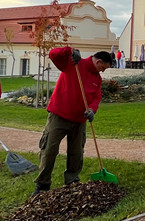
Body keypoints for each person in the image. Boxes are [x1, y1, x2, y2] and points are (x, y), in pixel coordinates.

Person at [33, 47, 113, 195]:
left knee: (76, 153)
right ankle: (42, 184)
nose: (103, 71)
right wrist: (69, 51)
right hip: (59, 115)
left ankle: (72, 180)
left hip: (79, 120)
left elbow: (97, 96)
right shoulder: (73, 64)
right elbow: (52, 54)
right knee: (49, 150)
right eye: (103, 67)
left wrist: (92, 110)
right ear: (98, 61)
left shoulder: (97, 78)